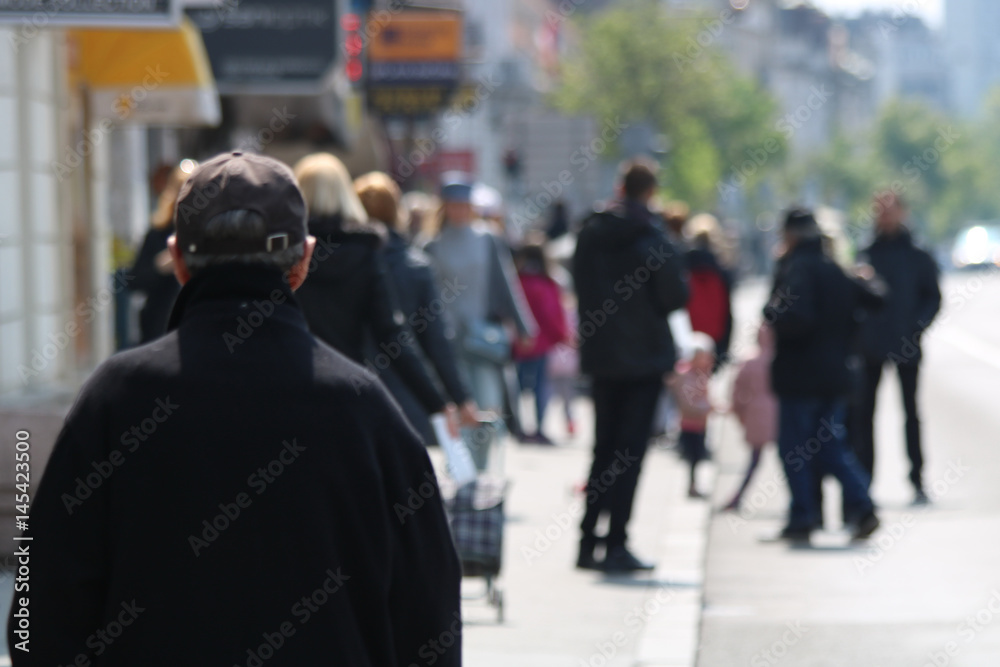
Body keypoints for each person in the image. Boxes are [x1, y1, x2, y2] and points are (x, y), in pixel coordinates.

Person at [7, 151, 462, 665]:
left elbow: (39, 606)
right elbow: (431, 611)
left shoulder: (116, 397)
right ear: (304, 260)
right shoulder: (367, 411)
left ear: (178, 259)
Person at [572, 158, 688, 572]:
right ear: (650, 192)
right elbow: (675, 296)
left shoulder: (591, 232)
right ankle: (617, 542)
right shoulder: (652, 237)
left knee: (602, 449)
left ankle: (587, 542)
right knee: (630, 453)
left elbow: (579, 286)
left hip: (602, 358)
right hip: (643, 360)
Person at [292, 153, 460, 435]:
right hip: (348, 387)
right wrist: (437, 403)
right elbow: (392, 335)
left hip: (293, 389)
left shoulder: (286, 253)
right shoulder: (366, 252)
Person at [764, 208, 881, 541]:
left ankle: (804, 515)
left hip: (802, 376)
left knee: (795, 448)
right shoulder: (836, 270)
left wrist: (772, 310)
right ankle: (862, 506)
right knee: (831, 446)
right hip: (835, 374)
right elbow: (874, 298)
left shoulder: (797, 269)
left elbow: (795, 317)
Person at [354, 170, 478, 443]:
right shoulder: (415, 266)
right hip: (408, 398)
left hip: (353, 400)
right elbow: (436, 340)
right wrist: (459, 397)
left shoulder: (341, 266)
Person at [424, 173, 536, 414]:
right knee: (461, 409)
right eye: (454, 204)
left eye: (464, 204)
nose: (460, 210)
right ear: (444, 206)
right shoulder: (431, 245)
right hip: (448, 339)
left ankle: (486, 452)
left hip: (483, 335)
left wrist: (524, 327)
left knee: (489, 407)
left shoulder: (488, 239)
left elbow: (506, 283)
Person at [856, 191, 942, 504]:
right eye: (879, 210)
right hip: (870, 345)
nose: (885, 216)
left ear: (903, 213)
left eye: (890, 210)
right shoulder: (866, 253)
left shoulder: (917, 253)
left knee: (911, 412)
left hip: (906, 343)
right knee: (865, 414)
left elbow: (932, 296)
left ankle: (917, 479)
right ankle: (863, 481)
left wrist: (916, 328)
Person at [512, 235, 571, 445]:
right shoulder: (547, 283)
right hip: (541, 343)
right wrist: (563, 336)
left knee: (516, 387)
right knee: (539, 388)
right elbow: (552, 314)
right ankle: (538, 429)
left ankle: (517, 427)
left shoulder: (515, 281)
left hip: (517, 343)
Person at [129, 160, 196, 343]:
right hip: (160, 330)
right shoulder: (158, 233)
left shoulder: (212, 234)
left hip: (196, 328)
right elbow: (134, 280)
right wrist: (160, 266)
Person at [724, 323, 778, 512]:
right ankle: (803, 503)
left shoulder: (749, 360)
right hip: (780, 413)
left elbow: (736, 392)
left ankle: (737, 497)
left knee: (754, 460)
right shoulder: (780, 358)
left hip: (755, 413)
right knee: (792, 460)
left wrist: (739, 413)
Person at [669, 333, 716, 499]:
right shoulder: (685, 375)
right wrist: (707, 409)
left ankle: (694, 485)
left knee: (698, 458)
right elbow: (686, 403)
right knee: (693, 458)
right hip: (689, 424)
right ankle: (692, 486)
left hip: (700, 423)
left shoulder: (701, 374)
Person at [684, 213, 734, 369]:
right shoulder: (721, 269)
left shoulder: (682, 265)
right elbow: (728, 310)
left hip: (689, 332)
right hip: (715, 333)